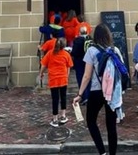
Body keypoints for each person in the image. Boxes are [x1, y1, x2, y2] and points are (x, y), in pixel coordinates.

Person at [74, 23, 120, 155]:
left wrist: (80, 94)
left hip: (96, 91)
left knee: (91, 121)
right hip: (111, 91)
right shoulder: (114, 50)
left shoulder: (91, 51)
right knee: (111, 125)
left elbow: (87, 76)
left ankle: (102, 152)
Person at [39, 37, 74, 127]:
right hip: (63, 79)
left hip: (53, 79)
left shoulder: (50, 53)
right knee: (63, 97)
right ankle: (63, 115)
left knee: (55, 99)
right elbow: (68, 67)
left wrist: (41, 73)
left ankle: (55, 119)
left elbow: (43, 65)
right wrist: (67, 76)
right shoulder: (66, 54)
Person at [71, 25, 91, 105]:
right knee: (88, 78)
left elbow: (74, 52)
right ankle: (89, 95)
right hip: (89, 61)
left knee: (81, 78)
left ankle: (84, 96)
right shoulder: (90, 39)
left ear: (79, 32)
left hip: (79, 62)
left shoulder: (78, 40)